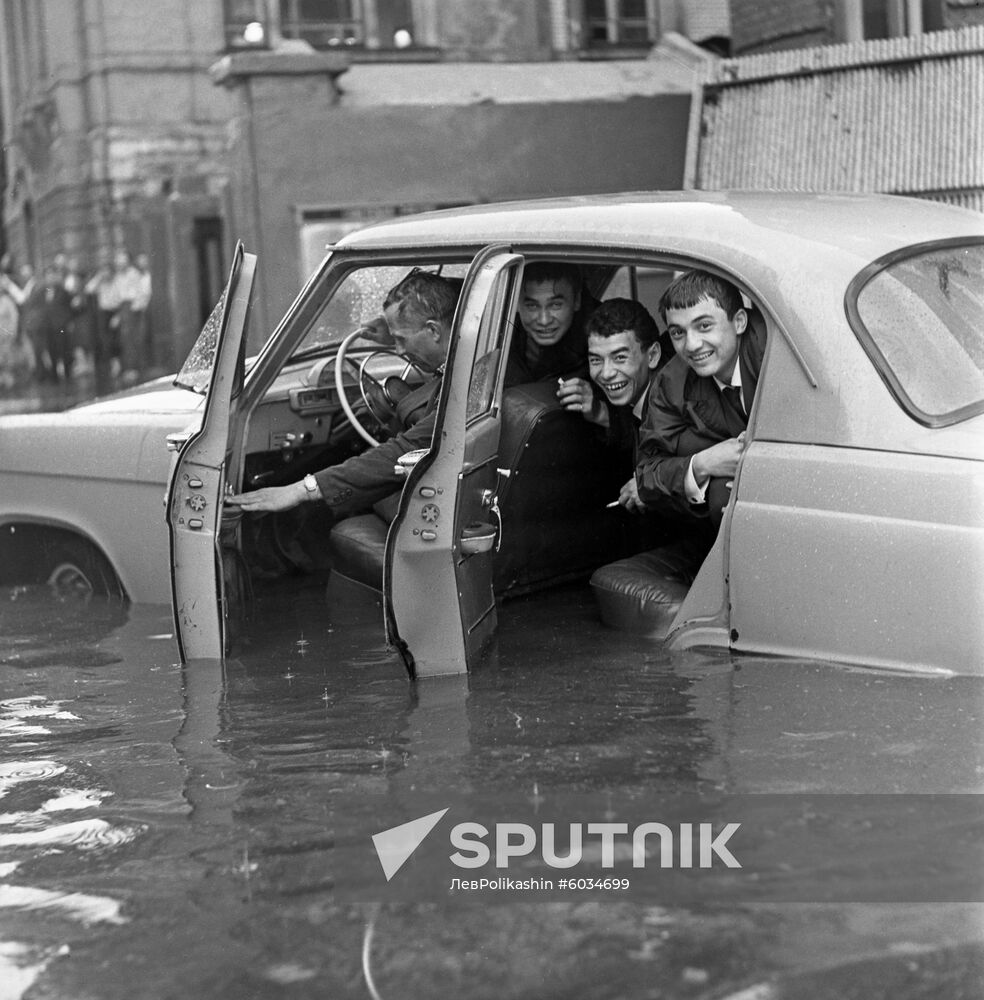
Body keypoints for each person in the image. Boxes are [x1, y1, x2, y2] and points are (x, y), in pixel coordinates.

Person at [226, 270, 459, 520]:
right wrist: (393, 334)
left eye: (401, 339)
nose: (399, 350)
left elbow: (406, 448)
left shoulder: (466, 384)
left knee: (324, 517)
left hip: (441, 502)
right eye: (395, 340)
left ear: (433, 331)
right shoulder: (465, 358)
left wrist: (302, 489)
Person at [635, 269, 766, 528]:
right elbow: (647, 475)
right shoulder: (672, 381)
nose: (692, 345)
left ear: (739, 322)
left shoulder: (770, 353)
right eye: (677, 333)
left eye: (704, 326)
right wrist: (704, 463)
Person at [556, 297, 667, 513]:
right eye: (596, 360)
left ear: (652, 356)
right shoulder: (638, 396)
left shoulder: (680, 403)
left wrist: (654, 485)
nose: (606, 373)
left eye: (620, 358)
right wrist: (599, 412)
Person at [505, 260, 597, 385]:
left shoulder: (603, 342)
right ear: (515, 304)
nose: (544, 320)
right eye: (532, 306)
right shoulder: (495, 338)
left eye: (555, 305)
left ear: (577, 301)